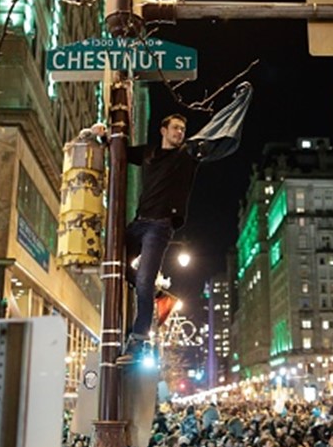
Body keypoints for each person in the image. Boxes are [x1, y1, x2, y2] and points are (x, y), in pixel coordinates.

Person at [89, 81, 254, 364]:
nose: (180, 133)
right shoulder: (150, 153)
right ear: (163, 131)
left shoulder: (187, 154)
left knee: (141, 281)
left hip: (159, 227)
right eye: (175, 128)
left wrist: (240, 100)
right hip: (138, 224)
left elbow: (216, 132)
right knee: (115, 264)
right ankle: (157, 294)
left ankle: (137, 342)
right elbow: (121, 152)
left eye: (182, 129)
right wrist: (102, 136)